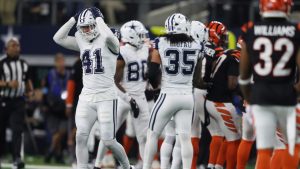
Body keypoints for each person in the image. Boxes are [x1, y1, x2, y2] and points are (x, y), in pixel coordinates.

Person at [53, 7, 132, 169]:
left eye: (89, 26)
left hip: (106, 96)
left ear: (96, 24)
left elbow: (109, 36)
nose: (86, 30)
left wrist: (99, 18)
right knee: (80, 137)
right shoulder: (81, 39)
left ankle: (127, 166)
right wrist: (74, 19)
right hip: (86, 96)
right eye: (82, 27)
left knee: (109, 140)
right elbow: (58, 38)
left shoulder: (109, 39)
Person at [239, 0, 300, 168]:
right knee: (291, 145)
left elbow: (243, 75)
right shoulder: (295, 31)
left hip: (260, 94)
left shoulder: (250, 30)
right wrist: (295, 92)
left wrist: (249, 98)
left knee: (264, 149)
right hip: (286, 94)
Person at [143, 13, 202, 169]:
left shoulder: (161, 42)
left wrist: (154, 86)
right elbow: (198, 74)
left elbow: (153, 71)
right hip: (188, 96)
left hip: (168, 94)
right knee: (185, 138)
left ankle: (146, 166)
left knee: (152, 134)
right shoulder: (197, 44)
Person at [94, 20, 150, 169]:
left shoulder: (145, 48)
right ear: (131, 36)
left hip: (140, 97)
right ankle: (98, 163)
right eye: (140, 35)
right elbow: (113, 81)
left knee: (144, 137)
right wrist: (128, 98)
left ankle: (145, 165)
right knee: (108, 134)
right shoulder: (122, 52)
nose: (143, 37)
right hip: (122, 97)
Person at [0, 37, 34, 169]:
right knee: (0, 130)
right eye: (13, 45)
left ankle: (16, 158)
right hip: (3, 100)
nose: (16, 48)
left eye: (17, 45)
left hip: (18, 101)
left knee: (17, 130)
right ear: (6, 49)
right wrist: (8, 84)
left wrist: (29, 91)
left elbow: (27, 81)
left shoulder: (24, 64)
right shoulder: (1, 64)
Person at [43, 53, 70, 164]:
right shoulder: (50, 75)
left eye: (63, 61)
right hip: (52, 108)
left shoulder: (69, 74)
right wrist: (44, 103)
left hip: (64, 109)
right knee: (55, 134)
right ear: (55, 63)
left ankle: (50, 152)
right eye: (59, 61)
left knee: (61, 132)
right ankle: (58, 156)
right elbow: (45, 89)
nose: (61, 63)